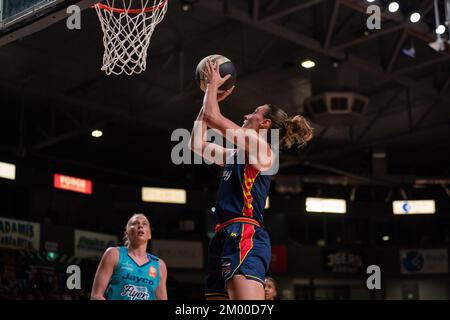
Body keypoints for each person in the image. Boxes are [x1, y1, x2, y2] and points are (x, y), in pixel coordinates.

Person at [189, 59, 313, 300]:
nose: (247, 114)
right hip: (223, 234)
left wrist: (212, 89)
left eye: (255, 112)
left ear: (265, 123)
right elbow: (196, 144)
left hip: (245, 232)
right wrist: (207, 102)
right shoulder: (237, 154)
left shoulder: (262, 147)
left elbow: (214, 118)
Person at [90, 213, 167, 300]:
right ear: (127, 232)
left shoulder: (159, 265)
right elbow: (96, 296)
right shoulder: (114, 254)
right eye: (135, 223)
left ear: (149, 234)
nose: (140, 226)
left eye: (144, 224)